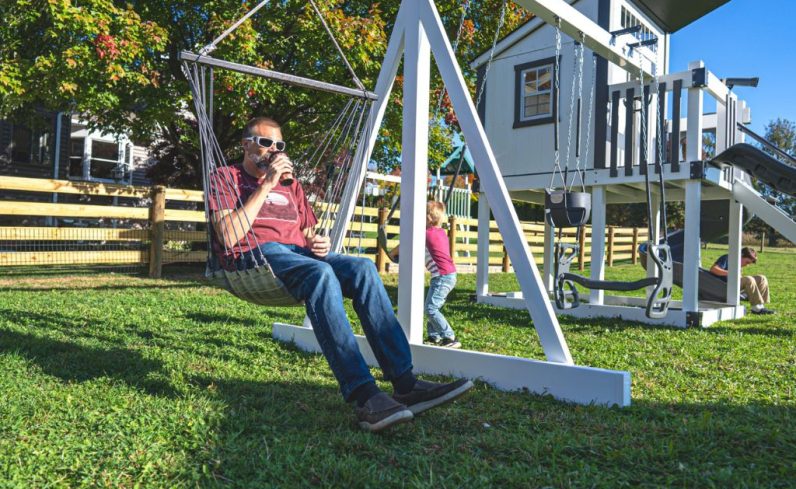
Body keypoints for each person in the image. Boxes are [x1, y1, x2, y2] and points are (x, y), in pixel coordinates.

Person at [208, 117, 473, 432]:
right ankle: (364, 395)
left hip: (298, 256)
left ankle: (405, 383)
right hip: (256, 256)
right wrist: (266, 185)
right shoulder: (226, 177)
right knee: (319, 274)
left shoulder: (292, 186)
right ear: (246, 144)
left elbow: (308, 233)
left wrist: (317, 241)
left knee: (361, 267)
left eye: (279, 145)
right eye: (266, 143)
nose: (274, 151)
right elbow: (227, 235)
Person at [389, 201, 460, 348]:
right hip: (447, 275)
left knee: (431, 308)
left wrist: (391, 254)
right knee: (431, 305)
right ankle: (434, 336)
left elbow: (405, 244)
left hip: (442, 276)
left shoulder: (425, 234)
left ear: (427, 219)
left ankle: (450, 336)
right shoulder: (440, 232)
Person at [709, 247, 775, 315]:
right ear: (741, 255)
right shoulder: (727, 258)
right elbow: (713, 269)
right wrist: (731, 273)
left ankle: (760, 306)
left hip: (734, 286)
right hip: (724, 287)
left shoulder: (739, 264)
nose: (747, 265)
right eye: (747, 262)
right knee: (748, 279)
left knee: (762, 278)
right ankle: (756, 309)